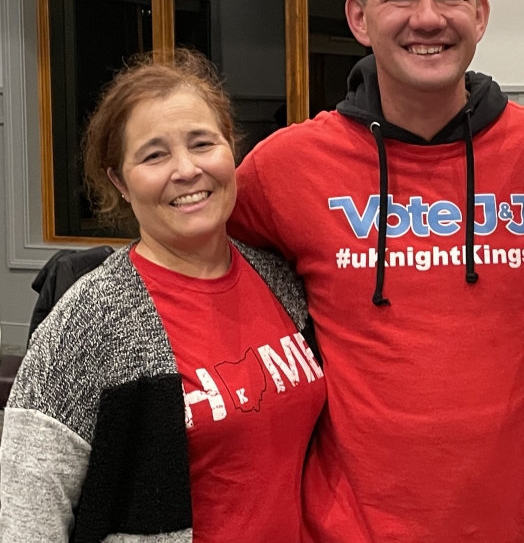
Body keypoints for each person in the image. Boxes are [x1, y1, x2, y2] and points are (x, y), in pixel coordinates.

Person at [228, 0, 524, 543]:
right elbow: (194, 260)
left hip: (518, 524)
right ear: (358, 18)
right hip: (349, 528)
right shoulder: (286, 166)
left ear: (480, 15)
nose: (427, 18)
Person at [0, 50, 325, 543]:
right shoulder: (87, 324)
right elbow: (28, 519)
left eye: (202, 143)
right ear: (119, 182)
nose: (187, 170)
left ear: (230, 149)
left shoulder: (279, 279)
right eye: (154, 155)